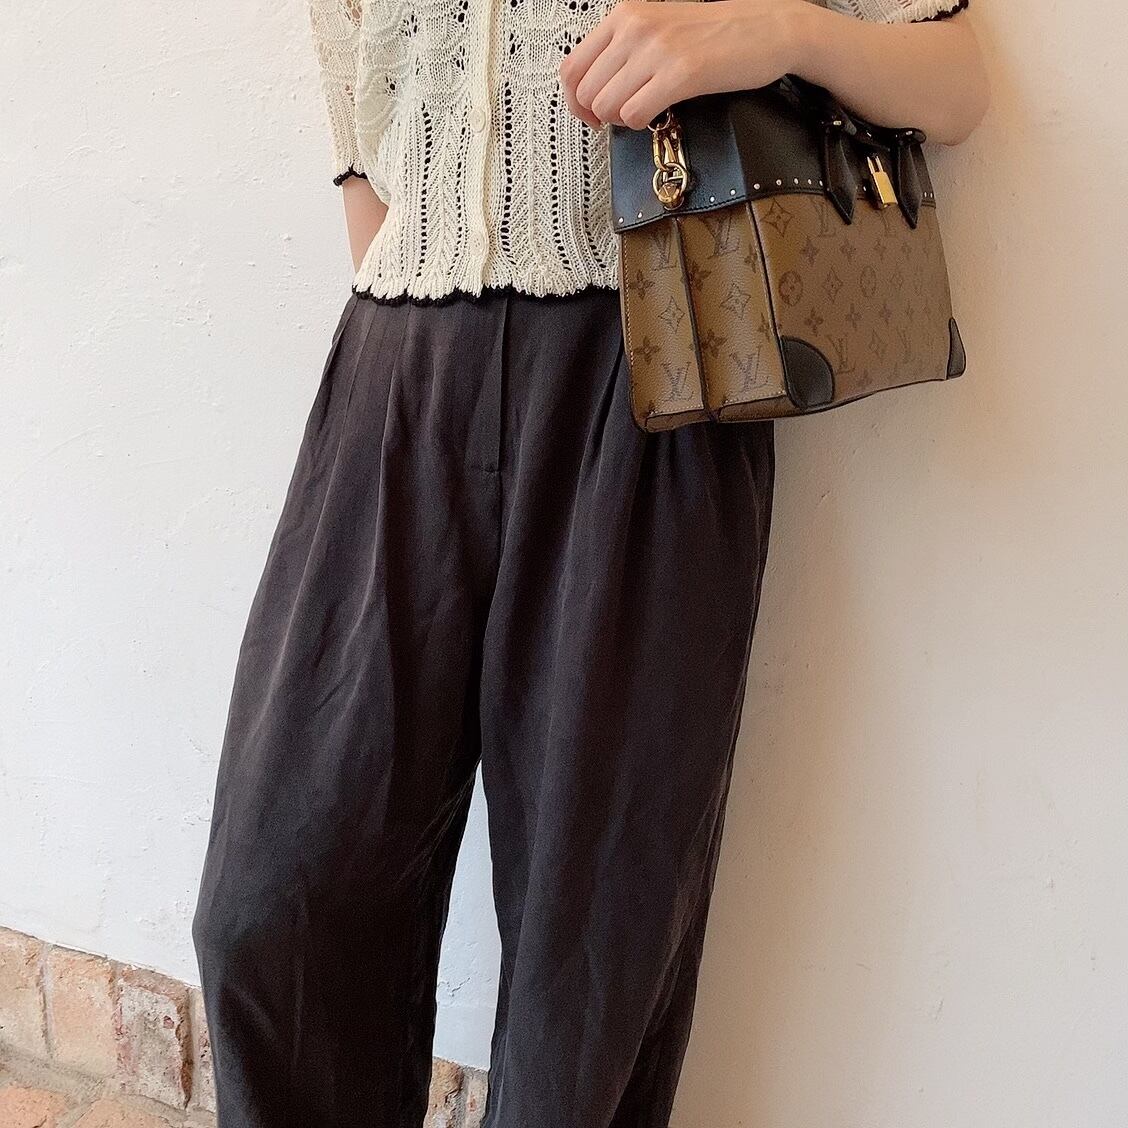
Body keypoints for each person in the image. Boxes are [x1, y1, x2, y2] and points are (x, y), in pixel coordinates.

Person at [191, 1, 990, 1125]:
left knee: (593, 955)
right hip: (398, 378)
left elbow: (955, 86)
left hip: (648, 378)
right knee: (268, 908)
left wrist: (777, 33)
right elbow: (361, 139)